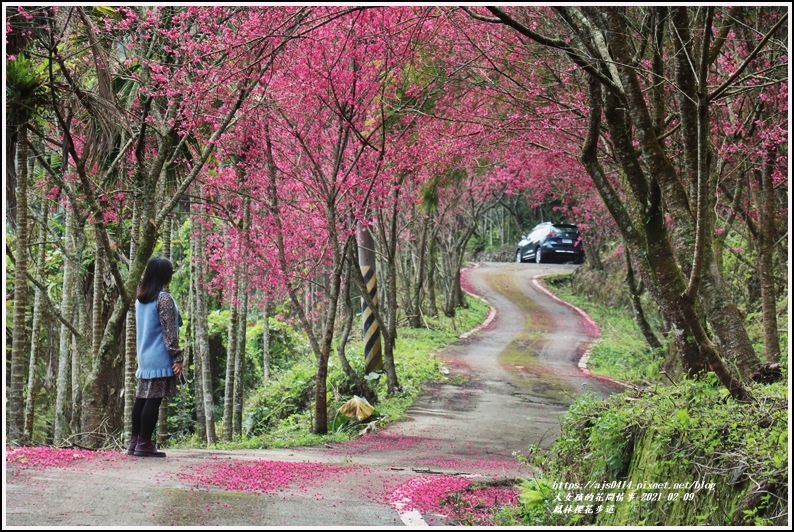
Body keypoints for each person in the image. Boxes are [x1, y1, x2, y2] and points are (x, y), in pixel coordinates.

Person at [127, 256, 184, 458]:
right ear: (165, 275)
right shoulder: (164, 299)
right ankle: (144, 443)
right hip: (159, 356)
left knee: (142, 398)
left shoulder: (141, 298)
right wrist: (177, 357)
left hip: (144, 356)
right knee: (153, 400)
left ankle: (135, 442)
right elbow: (170, 333)